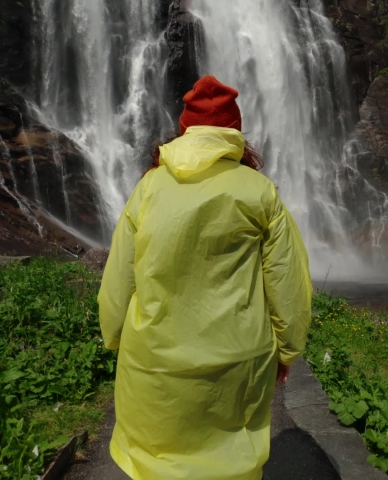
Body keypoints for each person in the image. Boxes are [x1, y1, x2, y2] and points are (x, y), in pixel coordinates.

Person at [98, 75, 312, 480]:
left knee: (157, 463)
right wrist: (287, 349)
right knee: (228, 464)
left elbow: (119, 276)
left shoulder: (148, 189)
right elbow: (288, 283)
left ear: (185, 128)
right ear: (235, 131)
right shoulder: (260, 192)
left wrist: (113, 336)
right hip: (237, 361)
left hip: (155, 362)